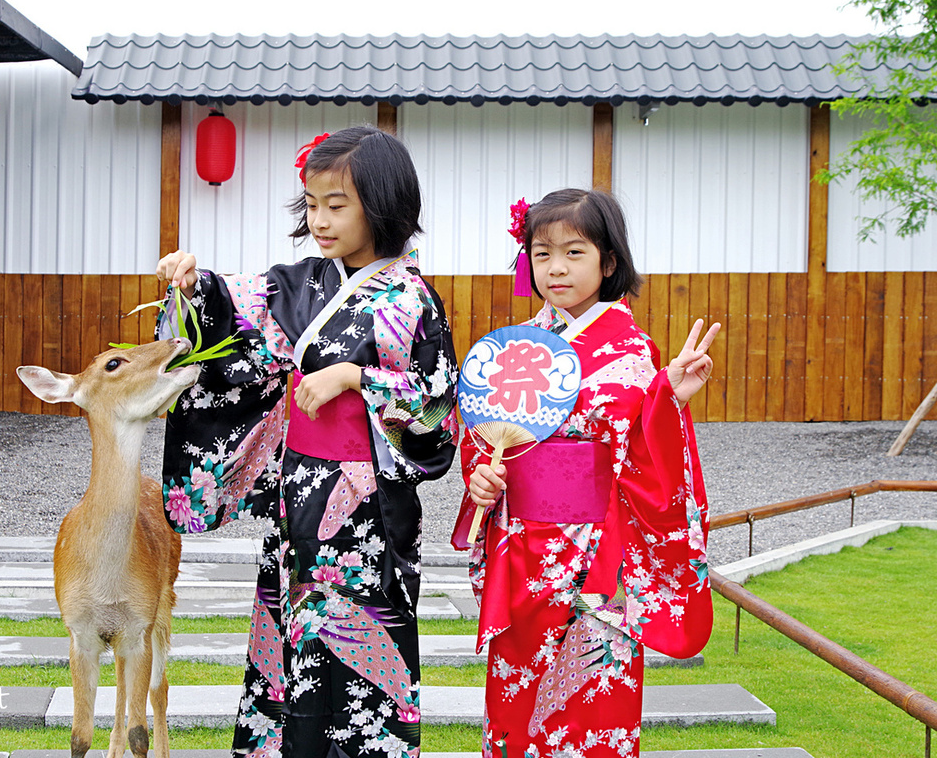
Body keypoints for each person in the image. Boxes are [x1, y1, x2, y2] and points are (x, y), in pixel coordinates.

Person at [155, 126, 459, 758]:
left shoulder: (410, 299)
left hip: (368, 509)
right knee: (289, 647)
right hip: (300, 497)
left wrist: (356, 376)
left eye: (336, 205)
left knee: (357, 660)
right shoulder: (297, 284)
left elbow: (434, 407)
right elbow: (231, 314)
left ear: (381, 205)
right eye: (312, 204)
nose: (319, 220)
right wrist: (193, 283)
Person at [454, 188, 718, 758]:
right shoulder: (517, 349)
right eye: (542, 252)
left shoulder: (633, 350)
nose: (556, 267)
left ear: (609, 261)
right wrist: (482, 479)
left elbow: (653, 464)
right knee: (517, 701)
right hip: (523, 549)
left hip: (601, 554)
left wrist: (668, 398)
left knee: (593, 706)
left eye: (574, 252)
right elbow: (482, 439)